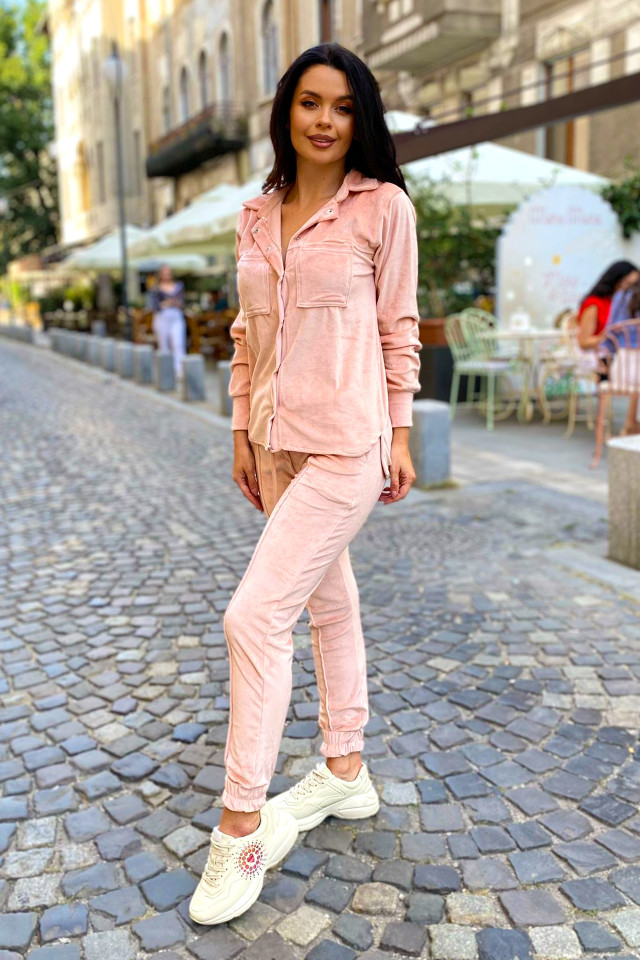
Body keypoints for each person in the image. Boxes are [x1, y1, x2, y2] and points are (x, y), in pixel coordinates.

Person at [189, 43, 421, 926]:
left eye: (344, 106)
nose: (326, 120)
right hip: (275, 442)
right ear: (286, 110)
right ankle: (345, 768)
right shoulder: (256, 215)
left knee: (253, 617)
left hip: (347, 445)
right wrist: (241, 432)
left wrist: (401, 434)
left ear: (361, 120)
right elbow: (247, 337)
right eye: (311, 102)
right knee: (331, 603)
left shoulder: (383, 207)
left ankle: (241, 824)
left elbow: (399, 328)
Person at [576, 260, 638, 350]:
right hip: (599, 353)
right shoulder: (594, 304)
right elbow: (583, 342)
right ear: (615, 281)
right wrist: (609, 338)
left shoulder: (622, 305)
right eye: (628, 284)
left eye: (635, 285)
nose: (631, 291)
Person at [149, 264, 186, 378]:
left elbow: (182, 302)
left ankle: (179, 370)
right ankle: (166, 372)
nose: (167, 274)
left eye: (168, 272)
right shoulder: (155, 288)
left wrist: (172, 303)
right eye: (164, 272)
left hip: (176, 316)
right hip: (162, 317)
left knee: (178, 343)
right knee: (163, 344)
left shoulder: (178, 286)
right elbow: (154, 306)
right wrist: (166, 303)